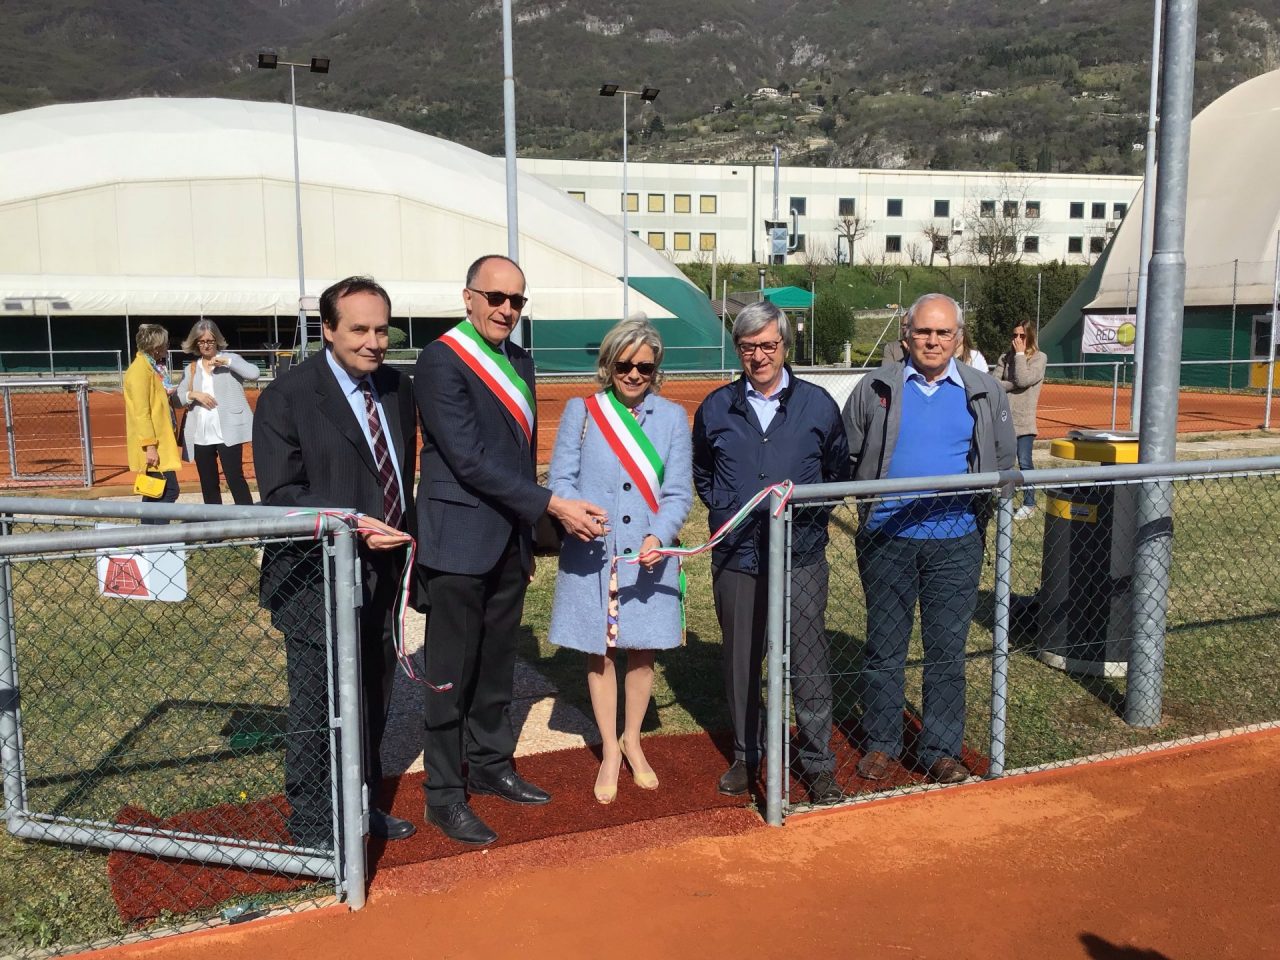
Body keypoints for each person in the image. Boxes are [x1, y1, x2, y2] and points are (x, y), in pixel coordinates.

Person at [415, 254, 606, 846]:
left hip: (508, 536)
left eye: (516, 301)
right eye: (494, 297)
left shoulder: (518, 359)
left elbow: (518, 457)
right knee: (451, 674)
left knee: (497, 667)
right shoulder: (441, 359)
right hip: (459, 539)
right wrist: (551, 505)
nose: (505, 309)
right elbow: (467, 458)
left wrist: (536, 513)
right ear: (468, 297)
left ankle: (492, 764)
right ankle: (444, 795)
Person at [253, 276, 418, 847]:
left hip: (383, 576)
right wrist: (352, 523)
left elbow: (399, 475)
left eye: (381, 330)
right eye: (359, 330)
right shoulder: (290, 394)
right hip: (313, 578)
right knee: (319, 701)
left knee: (374, 697)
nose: (374, 342)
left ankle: (362, 804)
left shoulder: (398, 388)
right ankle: (313, 824)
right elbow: (278, 495)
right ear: (327, 329)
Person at [843, 293, 1014, 785]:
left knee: (946, 651)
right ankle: (881, 742)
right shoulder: (875, 386)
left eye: (943, 332)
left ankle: (939, 748)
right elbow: (848, 451)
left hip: (956, 541)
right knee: (884, 646)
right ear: (906, 334)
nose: (933, 340)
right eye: (923, 331)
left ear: (958, 338)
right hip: (887, 539)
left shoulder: (983, 390)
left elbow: (1005, 463)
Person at [692, 300, 850, 805]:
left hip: (799, 556)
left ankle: (818, 763)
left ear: (785, 345)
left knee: (808, 659)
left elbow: (837, 472)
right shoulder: (716, 407)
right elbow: (702, 471)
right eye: (748, 347)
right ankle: (746, 755)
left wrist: (808, 519)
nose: (758, 356)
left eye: (768, 345)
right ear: (737, 349)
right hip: (738, 557)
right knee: (742, 659)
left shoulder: (818, 405)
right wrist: (723, 505)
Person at [546, 317, 693, 804]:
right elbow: (560, 479)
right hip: (594, 550)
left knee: (642, 647)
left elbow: (677, 491)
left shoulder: (672, 418)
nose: (634, 374)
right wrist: (573, 512)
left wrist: (660, 533)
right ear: (608, 365)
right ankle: (610, 747)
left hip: (647, 552)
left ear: (656, 369)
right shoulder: (582, 411)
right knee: (600, 648)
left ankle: (634, 738)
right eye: (624, 364)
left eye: (644, 367)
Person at [176, 320, 260, 505]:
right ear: (195, 343)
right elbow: (177, 399)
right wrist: (193, 395)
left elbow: (254, 373)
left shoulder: (230, 359)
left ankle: (249, 520)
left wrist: (227, 362)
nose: (206, 345)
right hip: (201, 434)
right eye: (201, 341)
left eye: (210, 341)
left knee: (234, 478)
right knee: (208, 482)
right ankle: (215, 524)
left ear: (217, 340)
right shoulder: (191, 368)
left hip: (227, 432)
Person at [124, 324, 181, 522]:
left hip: (159, 442)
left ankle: (148, 538)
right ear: (156, 347)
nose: (167, 348)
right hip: (154, 445)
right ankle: (158, 538)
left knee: (153, 491)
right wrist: (150, 446)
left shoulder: (150, 367)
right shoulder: (140, 371)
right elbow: (142, 412)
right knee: (170, 490)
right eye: (165, 344)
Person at [996, 322, 1047, 520]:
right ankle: (1004, 501)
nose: (1017, 339)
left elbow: (1025, 379)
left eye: (1022, 336)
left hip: (1024, 421)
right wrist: (1013, 383)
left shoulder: (1039, 358)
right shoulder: (1004, 357)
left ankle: (1029, 503)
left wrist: (1019, 356)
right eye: (1015, 335)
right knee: (1002, 464)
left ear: (1031, 337)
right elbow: (995, 383)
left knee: (1025, 462)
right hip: (1004, 419)